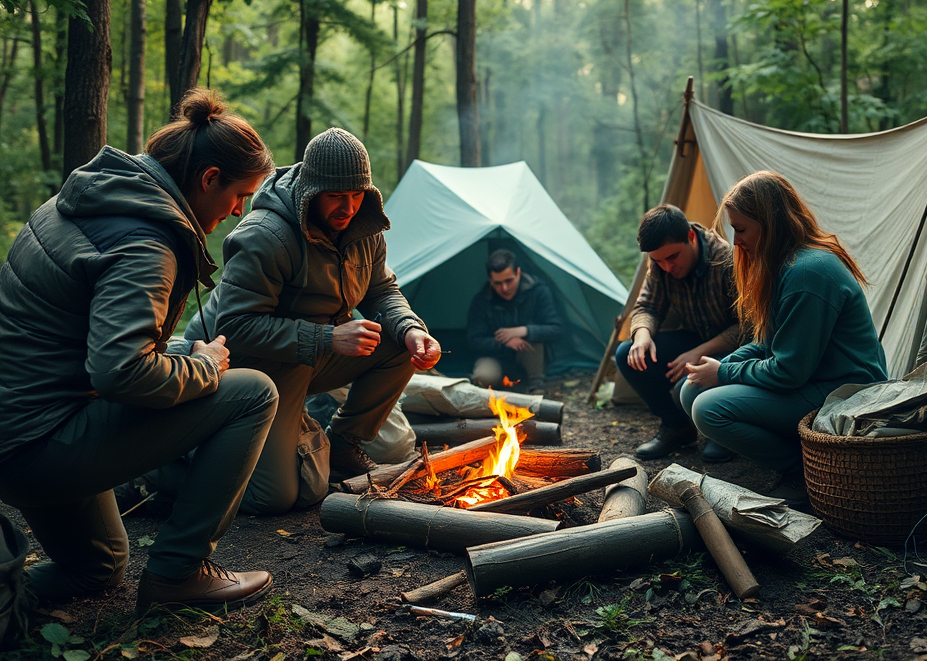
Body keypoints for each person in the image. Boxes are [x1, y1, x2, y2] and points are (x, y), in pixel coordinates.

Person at [0, 90, 280, 614]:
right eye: (240, 195)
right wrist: (201, 366)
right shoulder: (146, 242)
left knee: (98, 566)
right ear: (208, 178)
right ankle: (180, 573)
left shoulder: (94, 199)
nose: (240, 210)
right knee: (252, 393)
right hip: (37, 445)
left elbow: (85, 339)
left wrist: (177, 350)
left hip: (19, 429)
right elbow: (119, 371)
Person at [150, 127, 441, 516]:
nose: (349, 207)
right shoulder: (264, 236)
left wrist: (412, 329)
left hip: (313, 353)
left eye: (357, 195)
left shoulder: (364, 228)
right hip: (251, 364)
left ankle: (343, 442)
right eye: (336, 196)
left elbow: (382, 291)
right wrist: (328, 337)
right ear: (311, 193)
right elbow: (236, 327)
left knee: (402, 347)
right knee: (275, 498)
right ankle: (159, 468)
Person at [679, 171, 888, 503]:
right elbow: (769, 342)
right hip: (815, 381)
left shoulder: (808, 271)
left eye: (742, 229)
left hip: (847, 393)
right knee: (690, 392)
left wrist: (721, 373)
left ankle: (805, 473)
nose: (736, 242)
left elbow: (788, 370)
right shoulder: (784, 265)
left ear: (771, 223)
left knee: (707, 408)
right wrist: (721, 364)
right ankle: (797, 455)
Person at [614, 205, 741, 460]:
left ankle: (722, 432)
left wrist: (698, 353)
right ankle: (678, 428)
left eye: (672, 257)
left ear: (691, 237)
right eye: (658, 260)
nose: (666, 267)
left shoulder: (726, 259)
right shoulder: (661, 264)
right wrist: (642, 335)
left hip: (735, 350)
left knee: (688, 383)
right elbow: (647, 306)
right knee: (627, 353)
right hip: (696, 338)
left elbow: (749, 328)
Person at [466, 249, 563, 393]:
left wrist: (524, 331)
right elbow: (473, 340)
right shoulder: (481, 301)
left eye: (509, 281)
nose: (504, 288)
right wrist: (505, 342)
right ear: (490, 280)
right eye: (498, 283)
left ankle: (536, 385)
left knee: (535, 338)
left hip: (529, 356)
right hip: (495, 357)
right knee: (484, 377)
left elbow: (556, 329)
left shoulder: (538, 291)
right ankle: (503, 387)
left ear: (518, 273)